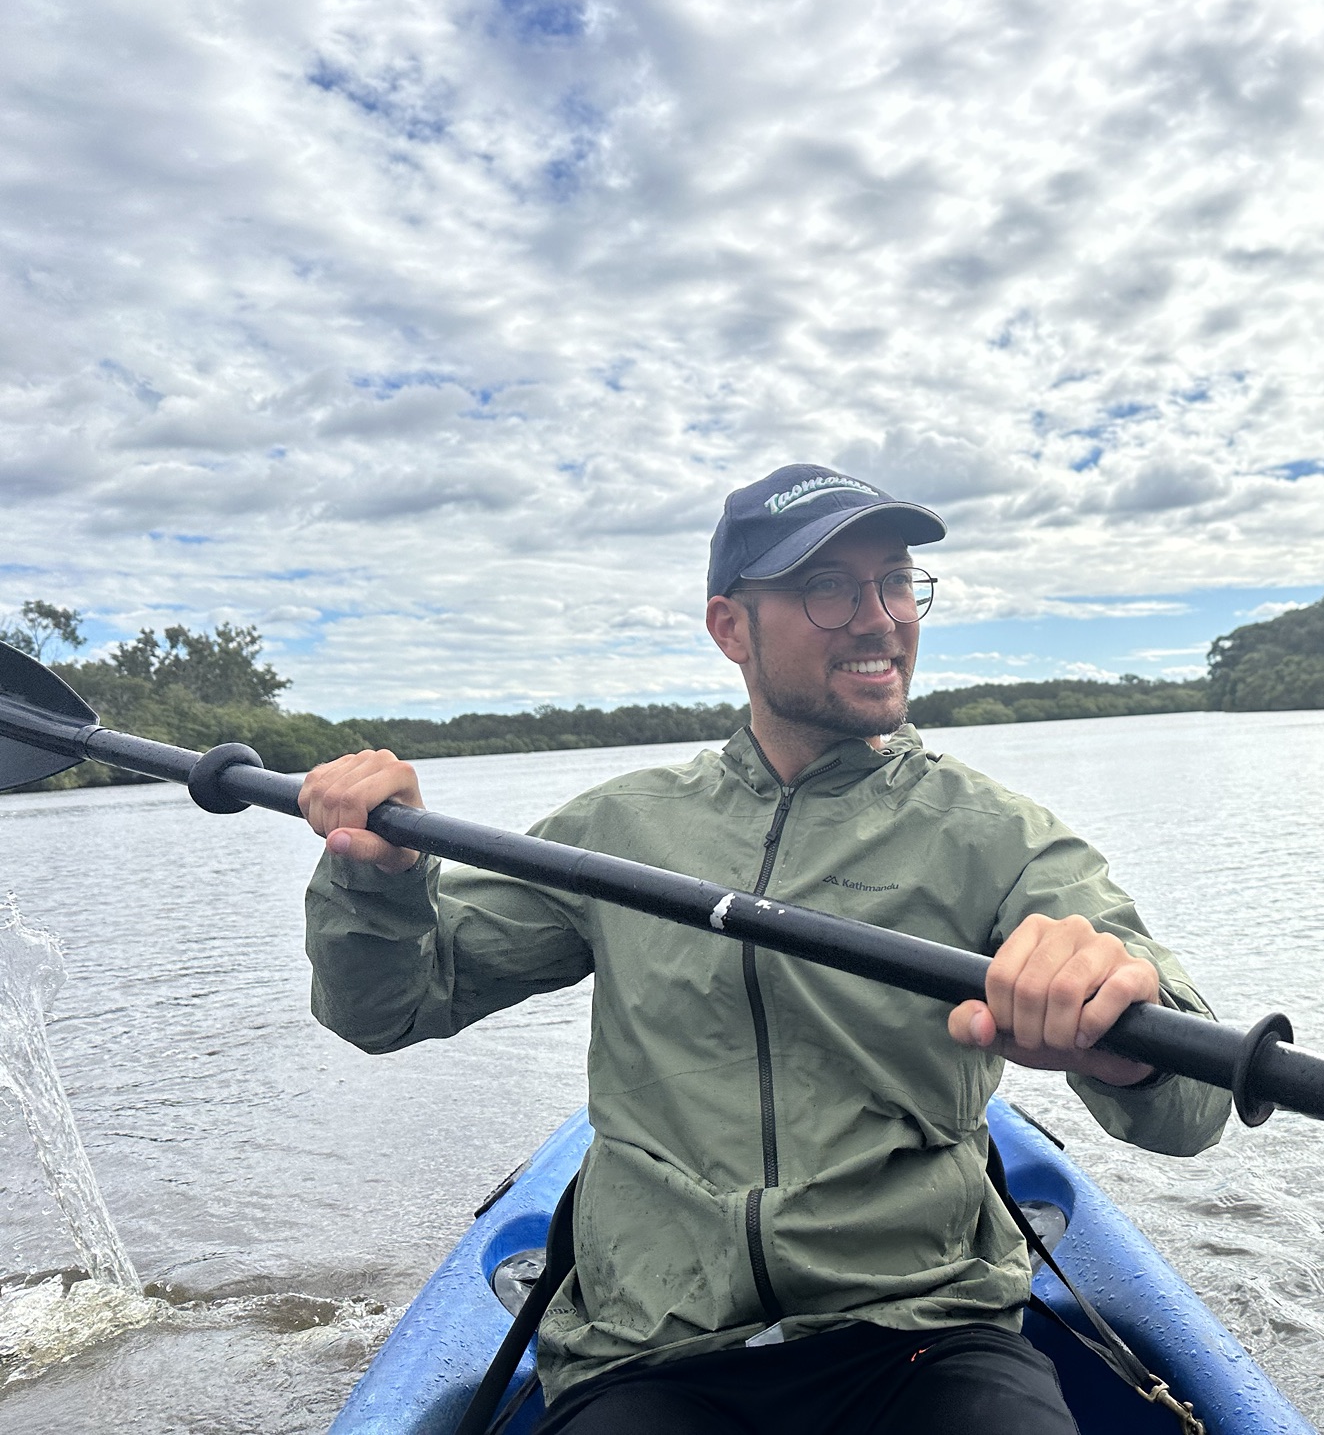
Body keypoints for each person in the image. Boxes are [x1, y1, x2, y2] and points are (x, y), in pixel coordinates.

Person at [300, 463, 1232, 1434]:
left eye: (894, 582)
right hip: (648, 1352)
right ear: (728, 627)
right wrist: (377, 878)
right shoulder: (619, 828)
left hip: (925, 1329)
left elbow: (1191, 1108)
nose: (877, 616)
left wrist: (1123, 1037)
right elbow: (390, 1007)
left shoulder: (996, 838)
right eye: (827, 587)